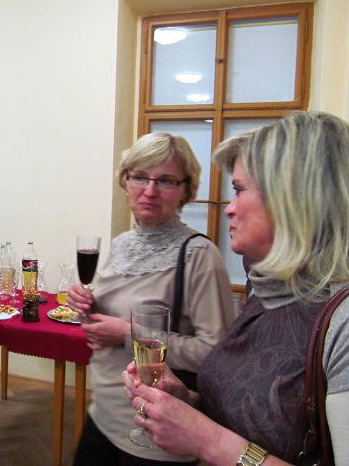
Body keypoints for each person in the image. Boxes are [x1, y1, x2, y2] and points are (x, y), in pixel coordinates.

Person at [123, 111, 349, 464]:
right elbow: (251, 414)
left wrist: (205, 439)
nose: (229, 209)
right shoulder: (265, 291)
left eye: (239, 190)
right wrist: (186, 404)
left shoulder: (343, 323)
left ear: (294, 199)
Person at [68, 132, 236, 465]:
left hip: (155, 433)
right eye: (140, 177)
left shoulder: (199, 255)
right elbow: (110, 316)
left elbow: (215, 355)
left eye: (166, 180)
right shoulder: (121, 244)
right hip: (103, 413)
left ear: (186, 189)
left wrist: (126, 334)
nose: (150, 190)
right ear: (125, 180)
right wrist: (86, 304)